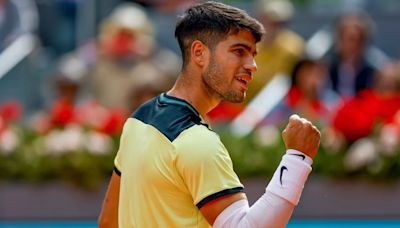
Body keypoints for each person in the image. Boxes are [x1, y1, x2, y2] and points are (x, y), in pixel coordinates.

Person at [98, 1, 321, 227]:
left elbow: (108, 222)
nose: (252, 65)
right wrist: (297, 159)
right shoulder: (196, 141)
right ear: (199, 53)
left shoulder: (139, 118)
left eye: (253, 55)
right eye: (239, 51)